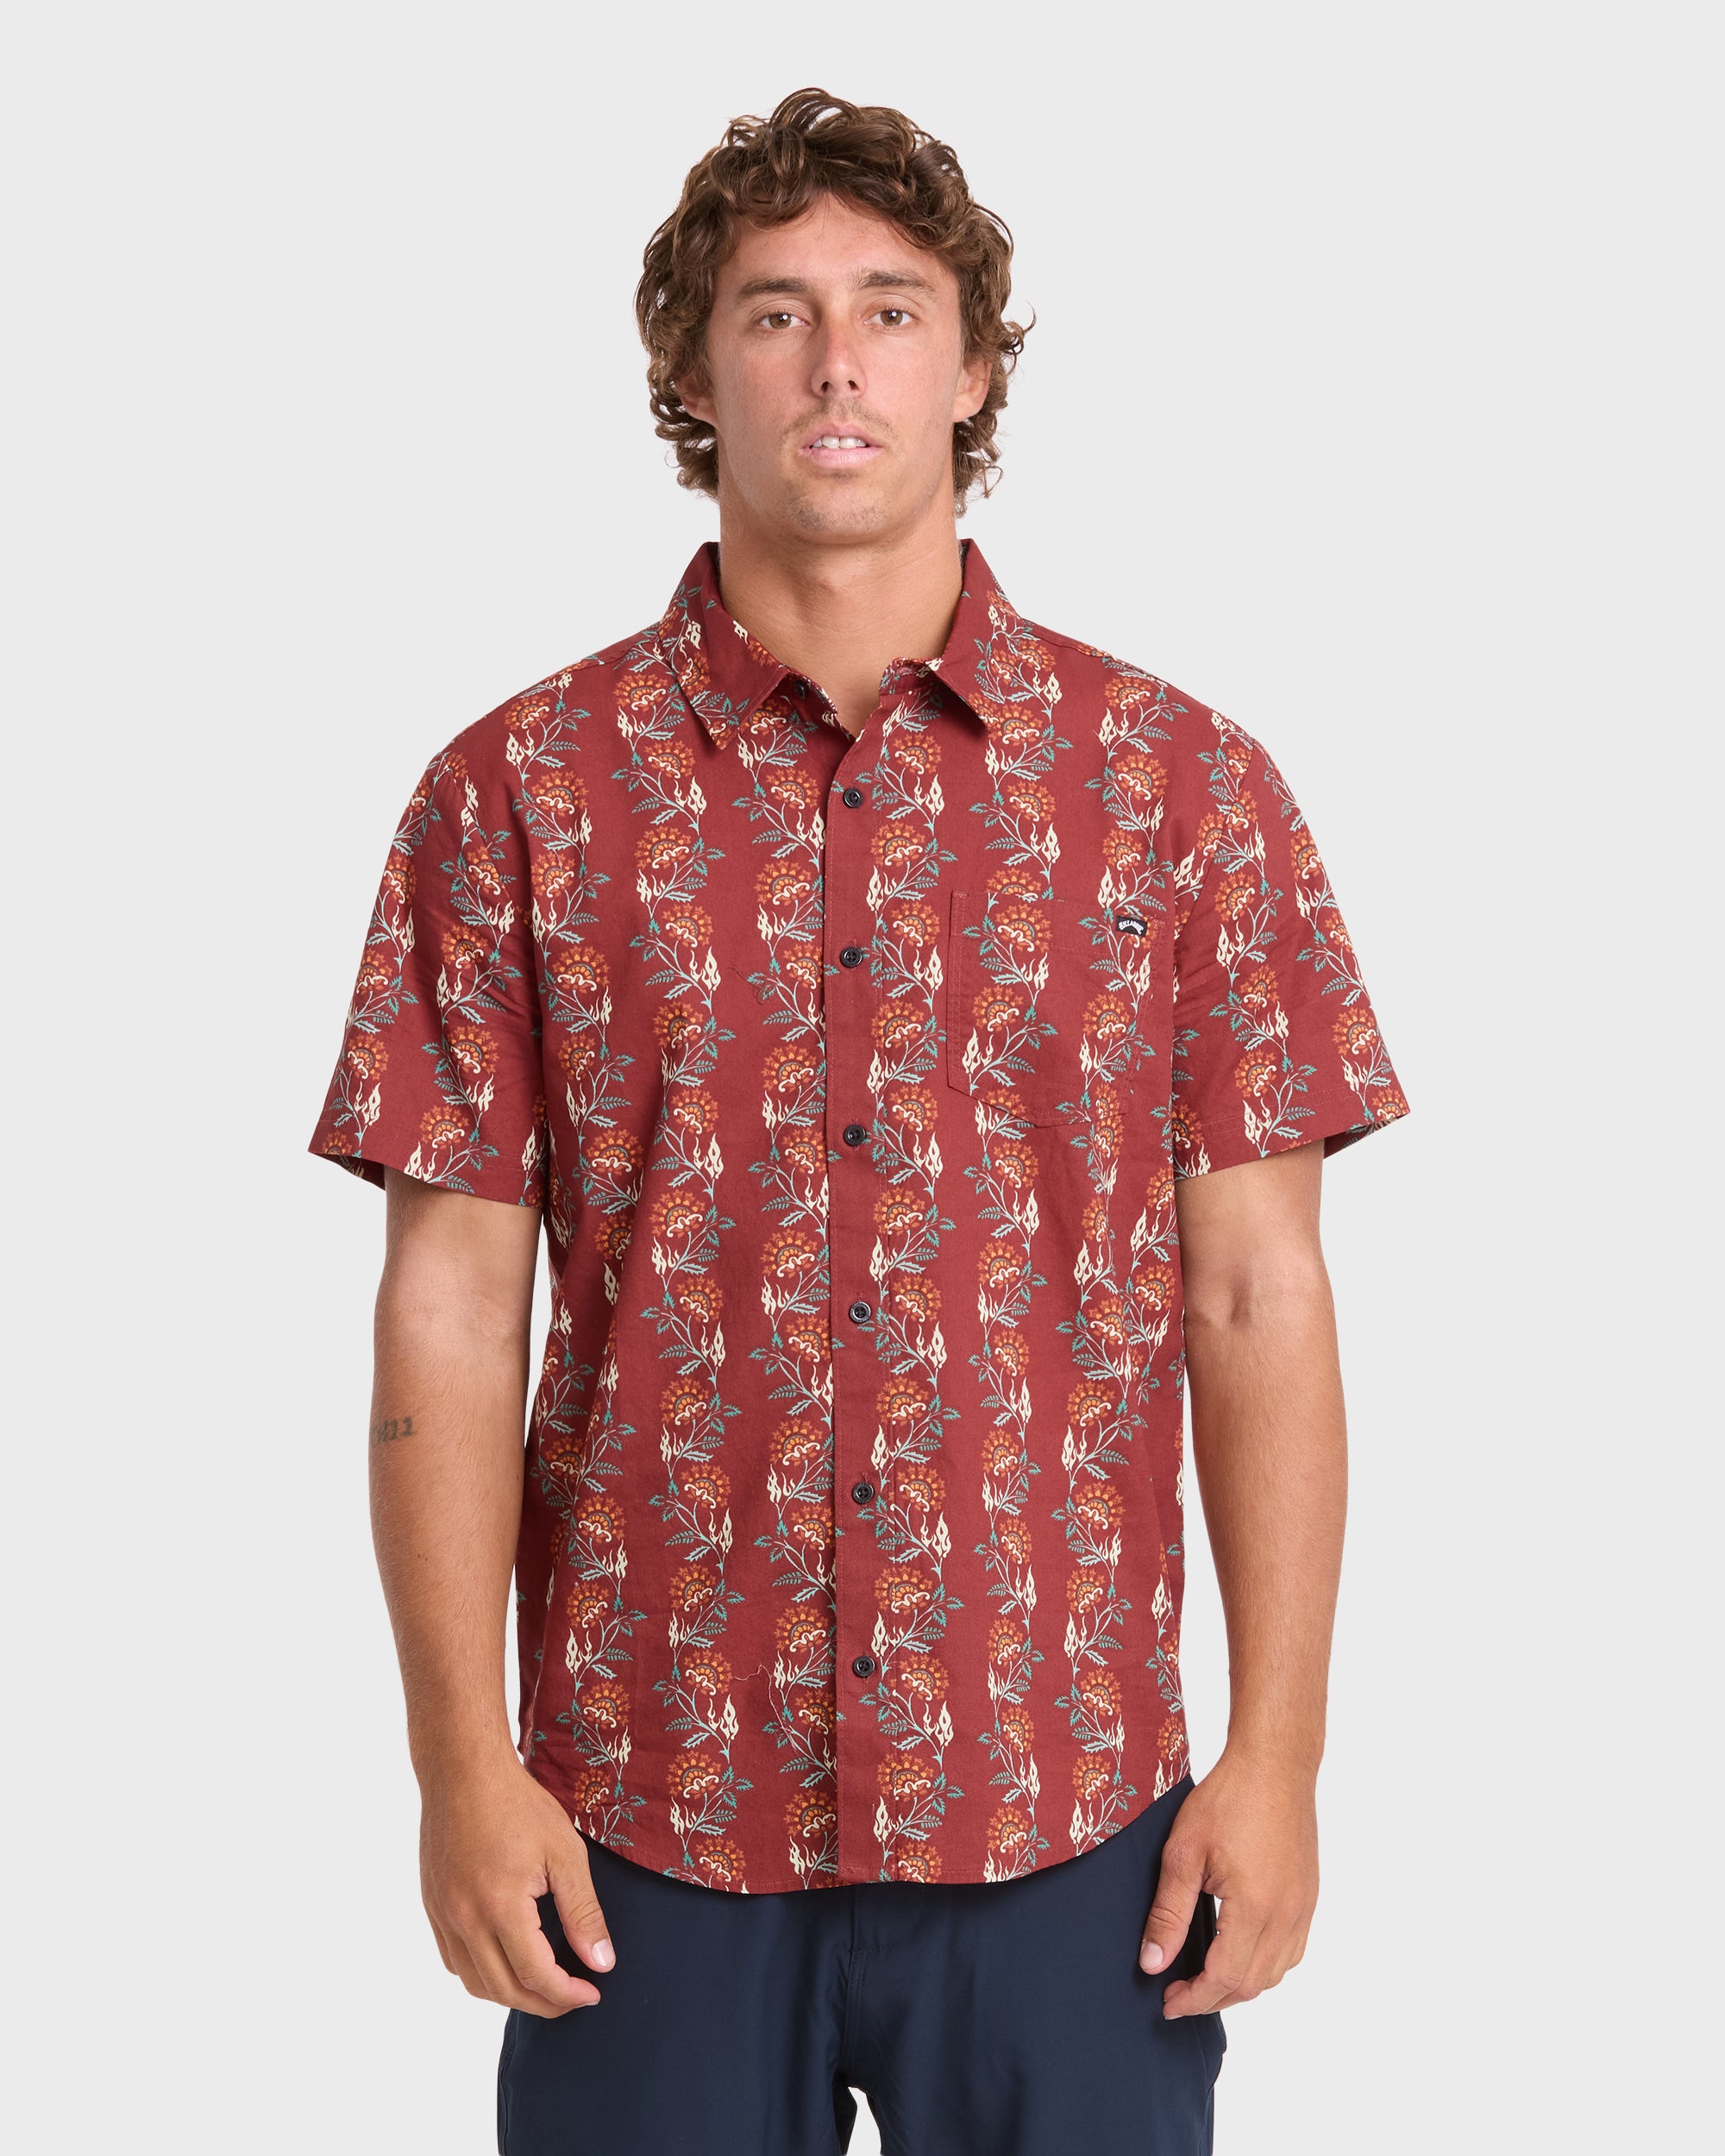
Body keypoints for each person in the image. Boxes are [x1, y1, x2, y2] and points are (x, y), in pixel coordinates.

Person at [310, 85, 1410, 2156]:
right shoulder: (514, 798)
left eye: (893, 310)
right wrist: (460, 1761)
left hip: (1069, 1811)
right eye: (775, 310)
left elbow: (1258, 1296)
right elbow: (445, 1309)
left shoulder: (1180, 792)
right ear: (690, 369)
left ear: (971, 369)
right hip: (636, 1820)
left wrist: (1279, 1755)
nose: (836, 361)